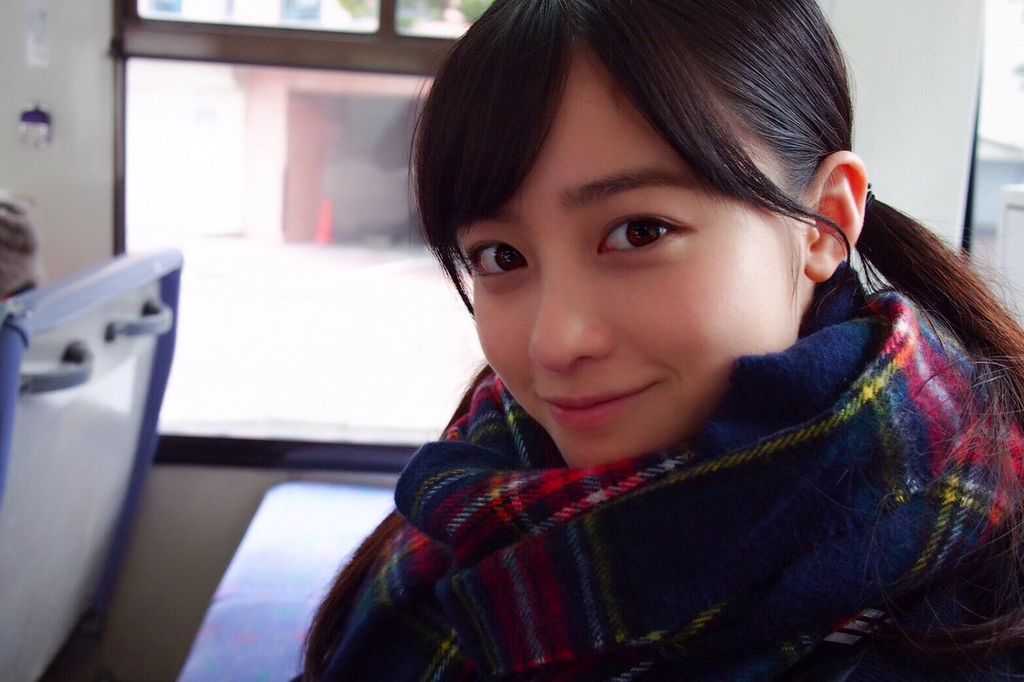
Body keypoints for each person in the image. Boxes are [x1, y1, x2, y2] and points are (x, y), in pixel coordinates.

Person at [303, 0, 1024, 679]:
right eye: (501, 256)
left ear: (823, 224)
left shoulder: (986, 592)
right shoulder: (453, 529)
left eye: (639, 232)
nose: (555, 343)